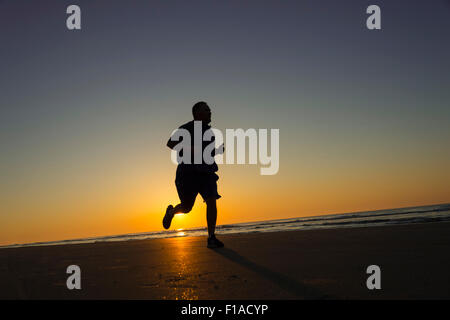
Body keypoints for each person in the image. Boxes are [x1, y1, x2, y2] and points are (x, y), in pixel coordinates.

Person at [163, 101, 224, 248]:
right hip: (187, 174)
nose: (210, 112)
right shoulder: (186, 128)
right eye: (206, 109)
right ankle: (171, 212)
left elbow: (206, 153)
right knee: (186, 207)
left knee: (211, 200)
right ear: (197, 113)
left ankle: (211, 237)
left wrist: (217, 151)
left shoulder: (210, 133)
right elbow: (170, 143)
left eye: (210, 109)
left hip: (206, 173)